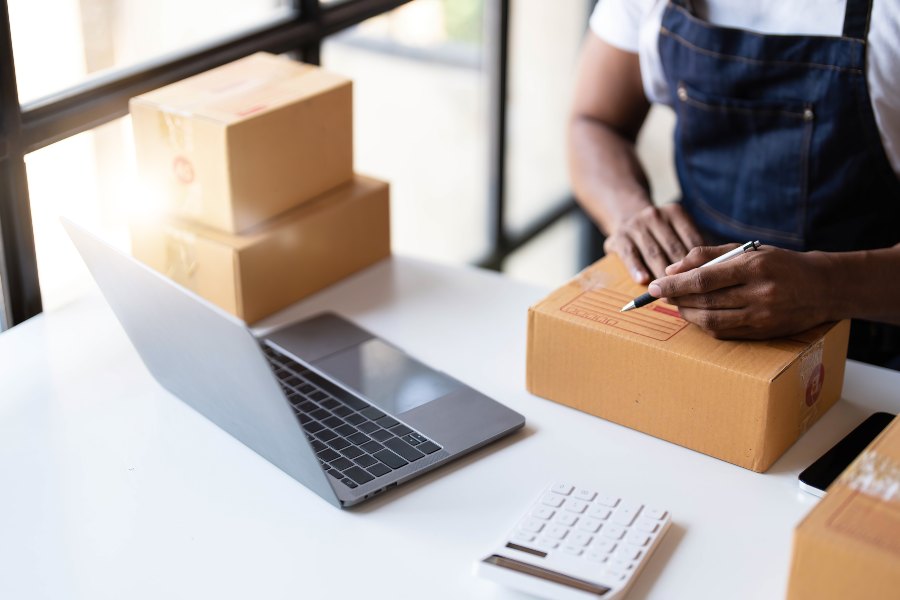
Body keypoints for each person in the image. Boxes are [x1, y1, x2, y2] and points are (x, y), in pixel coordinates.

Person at [568, 0, 900, 369]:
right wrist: (627, 211)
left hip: (872, 353)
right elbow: (594, 121)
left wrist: (827, 288)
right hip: (698, 326)